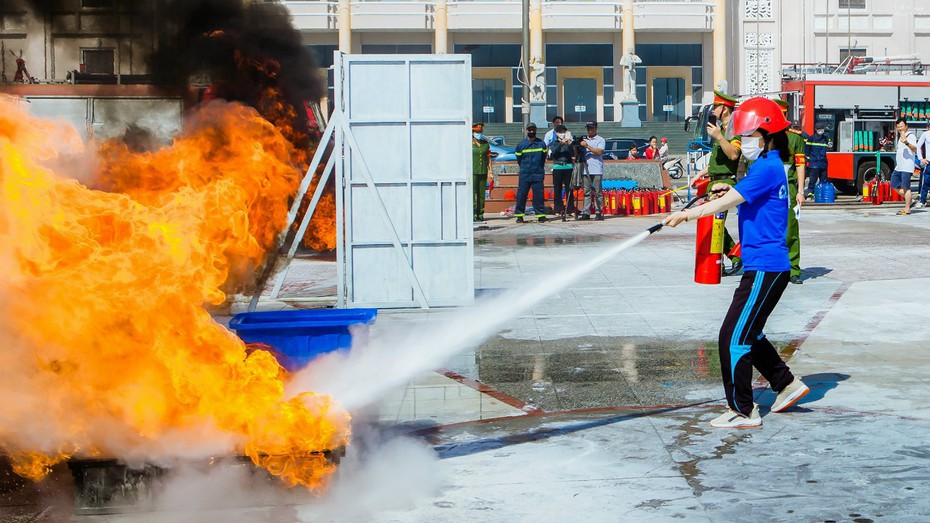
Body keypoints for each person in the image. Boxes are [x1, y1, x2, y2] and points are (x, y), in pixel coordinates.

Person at [664, 97, 810, 429]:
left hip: (765, 268)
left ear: (767, 136)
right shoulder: (767, 166)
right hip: (766, 266)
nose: (742, 143)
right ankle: (786, 385)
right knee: (751, 333)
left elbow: (729, 202)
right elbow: (743, 193)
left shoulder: (768, 168)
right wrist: (727, 185)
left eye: (747, 137)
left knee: (732, 336)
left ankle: (743, 410)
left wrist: (686, 213)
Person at [691, 90, 743, 276]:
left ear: (725, 109)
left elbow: (733, 154)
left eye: (716, 107)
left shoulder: (733, 131)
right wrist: (700, 174)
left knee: (714, 221)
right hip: (714, 182)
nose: (713, 110)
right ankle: (722, 259)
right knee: (712, 221)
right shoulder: (721, 129)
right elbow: (717, 162)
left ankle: (733, 255)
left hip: (725, 183)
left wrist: (720, 136)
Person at [774, 99, 807, 285]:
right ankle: (775, 268)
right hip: (770, 189)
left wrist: (801, 191)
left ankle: (793, 269)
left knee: (791, 230)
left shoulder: (795, 139)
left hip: (790, 188)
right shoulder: (766, 139)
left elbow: (800, 166)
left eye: (781, 115)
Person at [514, 123, 548, 223]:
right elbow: (519, 160)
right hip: (525, 173)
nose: (531, 131)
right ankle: (519, 215)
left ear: (536, 130)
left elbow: (543, 158)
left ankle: (540, 215)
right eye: (530, 130)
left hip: (537, 173)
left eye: (533, 129)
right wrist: (525, 168)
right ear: (527, 130)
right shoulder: (521, 145)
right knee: (522, 195)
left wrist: (539, 168)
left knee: (539, 195)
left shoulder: (541, 144)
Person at [578, 121, 606, 221]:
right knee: (586, 192)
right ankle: (586, 212)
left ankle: (599, 212)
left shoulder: (600, 140)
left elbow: (599, 152)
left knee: (598, 192)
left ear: (596, 128)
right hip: (585, 169)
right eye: (588, 128)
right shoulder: (583, 140)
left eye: (592, 128)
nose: (590, 130)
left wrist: (587, 146)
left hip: (597, 169)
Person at [892, 118, 917, 215]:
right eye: (898, 127)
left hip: (907, 166)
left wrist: (906, 142)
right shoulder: (901, 136)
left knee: (906, 187)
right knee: (894, 185)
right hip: (899, 166)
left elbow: (915, 149)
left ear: (906, 126)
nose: (900, 128)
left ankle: (907, 209)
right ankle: (911, 200)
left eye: (901, 126)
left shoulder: (910, 136)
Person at [548, 124, 575, 216]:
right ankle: (557, 209)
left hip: (568, 166)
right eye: (561, 132)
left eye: (564, 132)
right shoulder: (553, 143)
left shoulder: (568, 143)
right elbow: (554, 152)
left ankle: (570, 209)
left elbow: (573, 153)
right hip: (557, 167)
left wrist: (570, 144)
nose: (562, 134)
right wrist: (561, 143)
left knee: (569, 189)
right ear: (556, 133)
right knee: (557, 189)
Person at [472, 123, 491, 222]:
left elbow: (488, 158)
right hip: (473, 172)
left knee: (481, 194)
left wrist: (490, 171)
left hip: (483, 170)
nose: (478, 134)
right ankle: (473, 214)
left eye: (480, 132)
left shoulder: (485, 143)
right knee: (472, 194)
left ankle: (480, 213)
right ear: (473, 132)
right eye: (477, 132)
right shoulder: (469, 143)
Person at [805, 123, 829, 200]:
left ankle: (822, 194)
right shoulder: (811, 139)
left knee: (823, 179)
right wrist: (809, 159)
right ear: (816, 129)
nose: (821, 130)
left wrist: (822, 158)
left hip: (823, 163)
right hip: (814, 163)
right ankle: (810, 193)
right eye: (819, 129)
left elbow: (825, 149)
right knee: (813, 180)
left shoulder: (825, 139)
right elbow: (807, 150)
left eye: (822, 129)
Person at [915, 122, 930, 209]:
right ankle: (922, 201)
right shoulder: (926, 134)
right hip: (928, 162)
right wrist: (921, 158)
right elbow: (918, 146)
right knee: (925, 183)